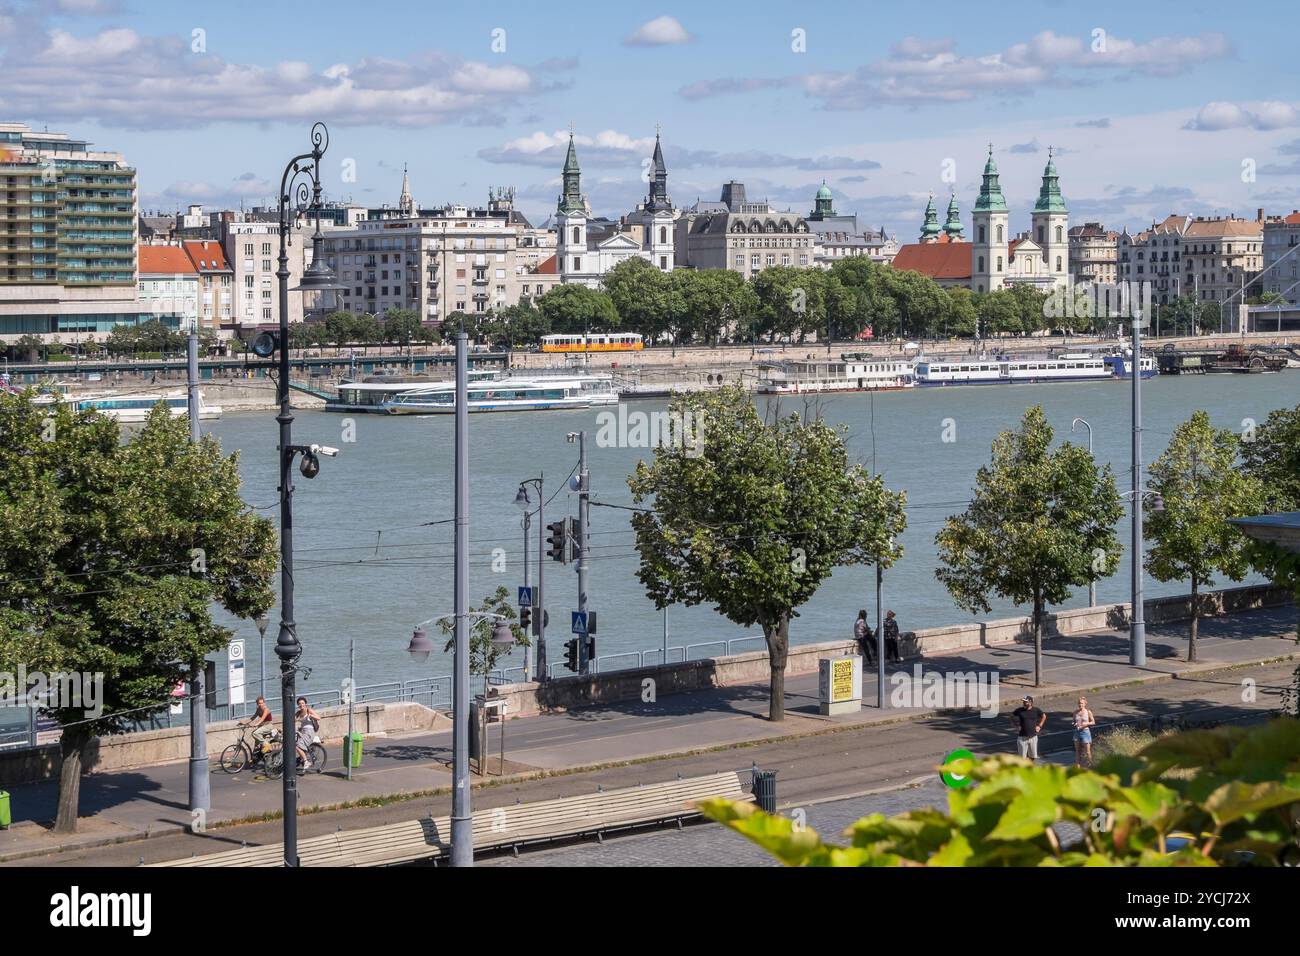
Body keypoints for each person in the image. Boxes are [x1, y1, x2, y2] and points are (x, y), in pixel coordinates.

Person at [1011, 695, 1047, 762]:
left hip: (1033, 737)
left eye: (1026, 702)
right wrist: (1015, 726)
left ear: (1031, 702)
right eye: (1023, 701)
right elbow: (1012, 716)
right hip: (1022, 738)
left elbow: (1044, 716)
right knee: (1022, 758)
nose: (1024, 703)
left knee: (1033, 757)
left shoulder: (1036, 710)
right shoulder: (1019, 710)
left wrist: (1039, 726)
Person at [294, 697, 321, 772]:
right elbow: (292, 719)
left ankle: (306, 761)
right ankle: (302, 759)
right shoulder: (298, 712)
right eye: (299, 704)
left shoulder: (309, 710)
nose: (301, 705)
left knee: (297, 746)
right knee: (294, 741)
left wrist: (311, 716)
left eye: (302, 703)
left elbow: (319, 717)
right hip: (302, 731)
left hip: (309, 732)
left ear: (305, 703)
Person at [1072, 696, 1096, 768]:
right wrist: (1074, 723)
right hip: (1077, 732)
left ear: (1085, 704)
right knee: (1077, 752)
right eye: (1079, 703)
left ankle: (1091, 767)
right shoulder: (1075, 712)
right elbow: (1073, 721)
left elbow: (1093, 722)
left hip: (1085, 732)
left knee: (1088, 752)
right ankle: (1077, 769)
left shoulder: (1088, 712)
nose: (1080, 705)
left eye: (1082, 703)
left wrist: (1086, 723)